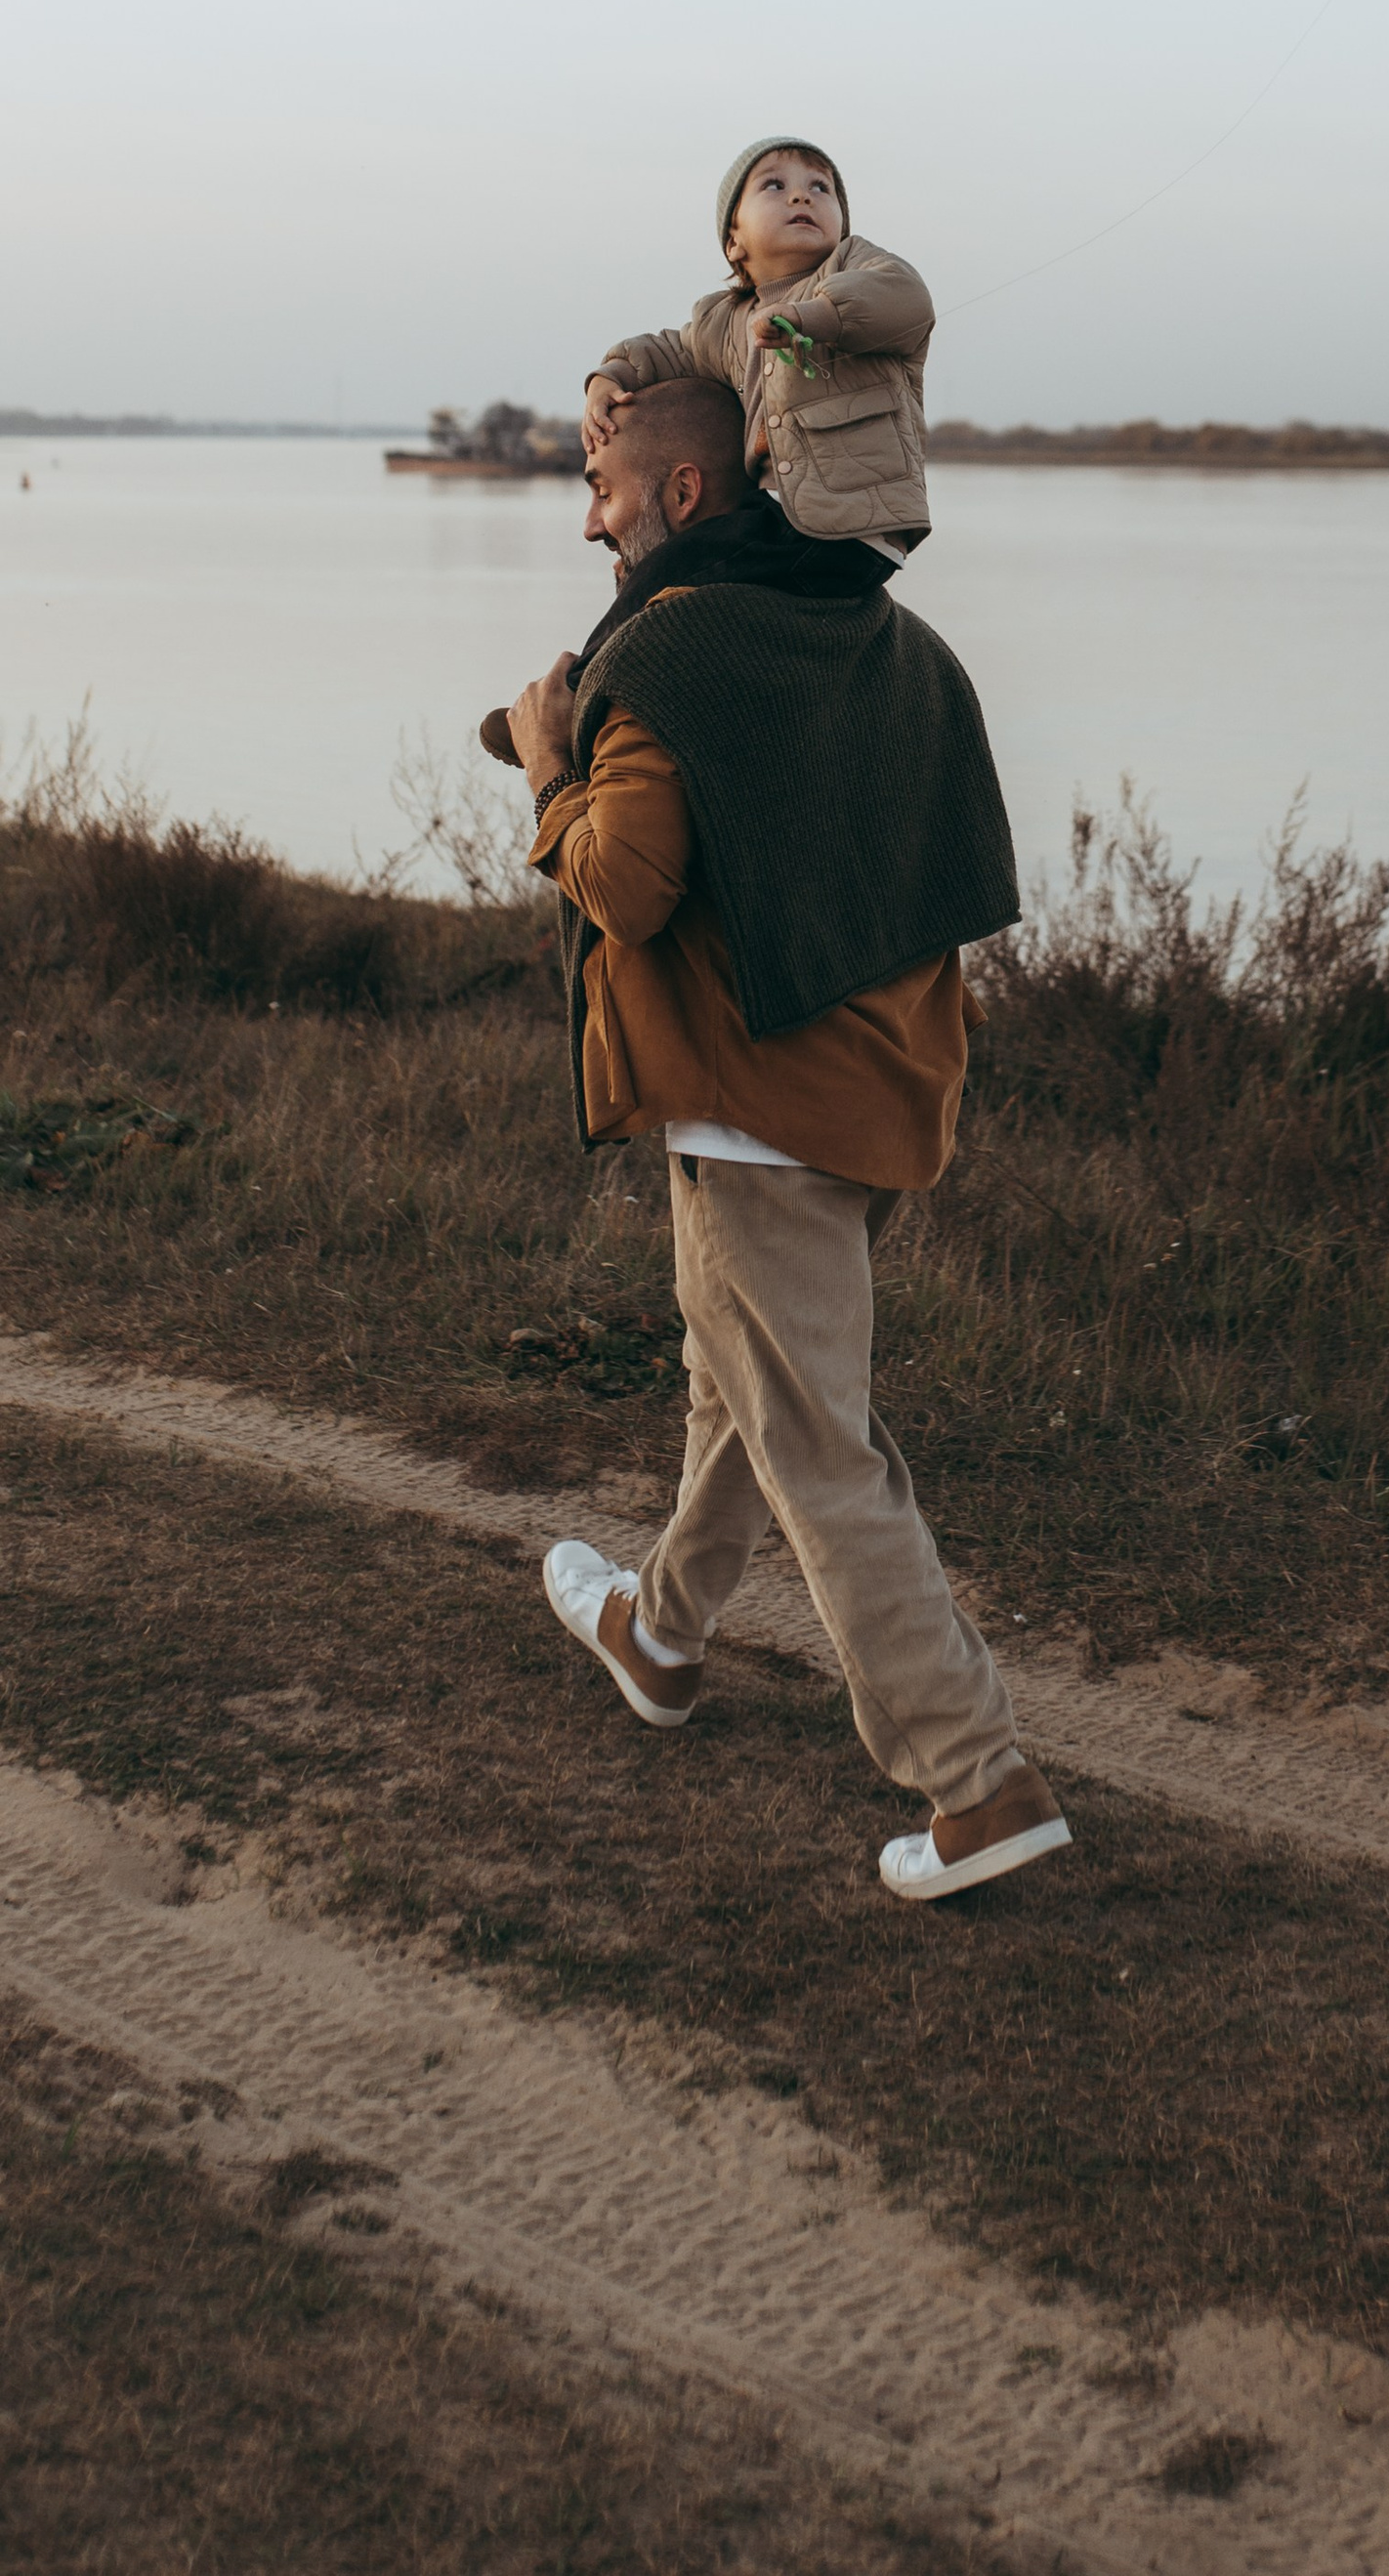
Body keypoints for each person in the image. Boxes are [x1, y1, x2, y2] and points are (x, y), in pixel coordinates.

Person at [506, 371, 1070, 1904]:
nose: (590, 517)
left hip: (754, 1111)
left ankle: (976, 1777)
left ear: (685, 491)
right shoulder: (884, 635)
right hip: (882, 1092)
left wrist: (552, 762)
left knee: (819, 1446)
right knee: (743, 1385)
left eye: (603, 482)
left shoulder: (672, 649)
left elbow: (627, 884)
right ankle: (661, 1635)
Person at [582, 138, 934, 570]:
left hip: (859, 520)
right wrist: (609, 377)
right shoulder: (725, 321)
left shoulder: (855, 263)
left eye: (821, 187)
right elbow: (668, 351)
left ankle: (632, 617)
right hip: (780, 517)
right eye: (774, 185)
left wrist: (814, 316)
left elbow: (905, 298)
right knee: (679, 559)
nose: (802, 195)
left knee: (673, 566)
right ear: (734, 242)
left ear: (841, 227)